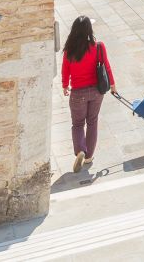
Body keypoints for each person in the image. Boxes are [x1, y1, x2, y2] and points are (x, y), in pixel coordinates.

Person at [60, 15, 116, 172]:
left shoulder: (69, 50)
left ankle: (80, 150)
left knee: (78, 124)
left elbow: (65, 69)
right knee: (92, 122)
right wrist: (112, 85)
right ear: (89, 30)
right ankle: (89, 156)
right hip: (97, 92)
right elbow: (107, 67)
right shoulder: (98, 47)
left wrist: (65, 85)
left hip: (78, 93)